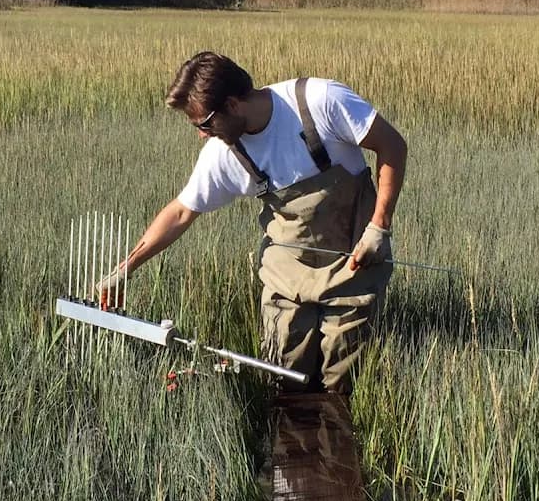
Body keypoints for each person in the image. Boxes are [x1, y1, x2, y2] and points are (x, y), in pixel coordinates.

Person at [99, 52, 407, 393]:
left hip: (354, 266)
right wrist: (125, 268)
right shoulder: (223, 153)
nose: (202, 135)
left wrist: (379, 227)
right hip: (286, 277)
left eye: (205, 124)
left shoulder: (319, 101)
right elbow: (181, 212)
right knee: (284, 378)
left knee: (345, 377)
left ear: (232, 105)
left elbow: (392, 145)